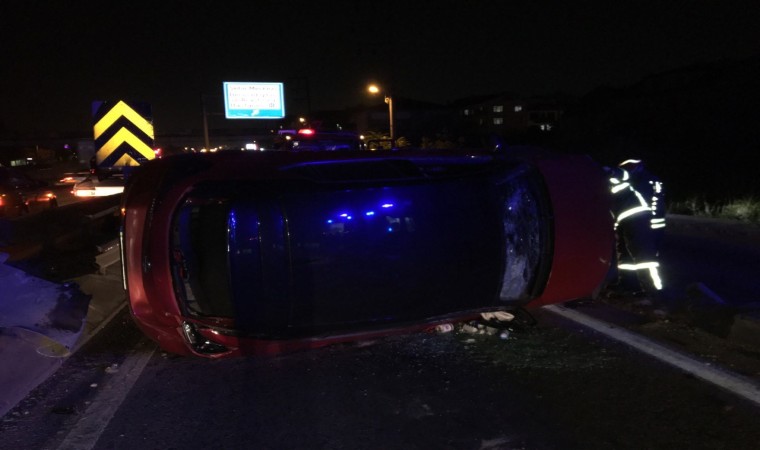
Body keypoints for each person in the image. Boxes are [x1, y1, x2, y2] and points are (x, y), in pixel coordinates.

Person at [605, 159, 666, 298]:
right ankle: (627, 284)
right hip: (626, 220)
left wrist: (608, 171)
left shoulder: (641, 178)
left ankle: (653, 292)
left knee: (644, 258)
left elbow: (623, 175)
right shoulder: (636, 180)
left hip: (640, 219)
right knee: (625, 256)